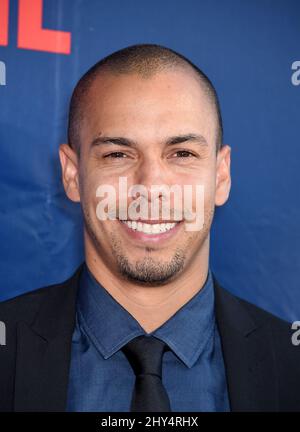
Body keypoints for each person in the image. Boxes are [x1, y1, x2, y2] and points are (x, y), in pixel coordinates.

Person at [0, 44, 299, 412]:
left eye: (182, 153)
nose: (151, 187)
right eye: (118, 154)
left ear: (221, 176)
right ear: (72, 175)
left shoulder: (290, 363)